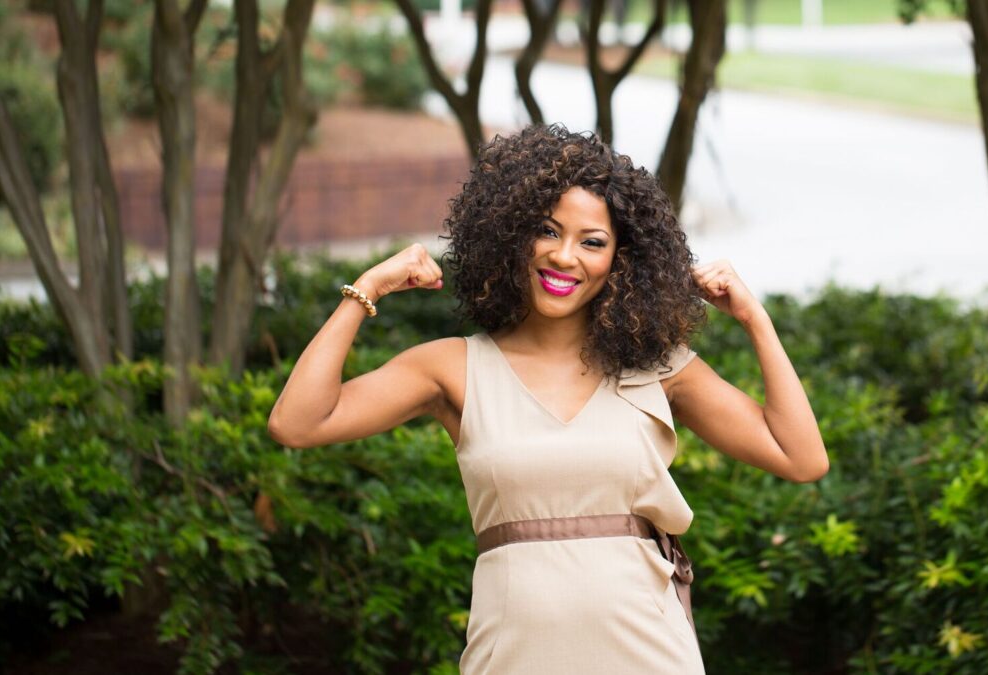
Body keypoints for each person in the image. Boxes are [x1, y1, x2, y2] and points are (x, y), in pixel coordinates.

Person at [267, 123, 829, 673]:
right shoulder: (453, 369)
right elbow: (298, 424)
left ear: (622, 259)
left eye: (592, 242)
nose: (564, 256)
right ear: (510, 232)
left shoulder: (658, 370)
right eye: (547, 230)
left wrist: (755, 320)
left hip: (650, 653)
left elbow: (801, 458)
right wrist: (366, 290)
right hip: (512, 656)